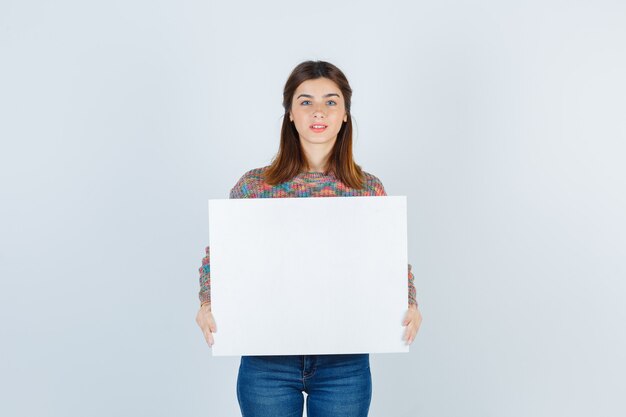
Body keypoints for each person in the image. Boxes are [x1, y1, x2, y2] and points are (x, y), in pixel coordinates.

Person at [196, 60, 423, 417]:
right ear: (289, 113)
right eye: (306, 101)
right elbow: (220, 256)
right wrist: (208, 303)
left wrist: (409, 302)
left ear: (345, 113)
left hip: (344, 363)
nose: (319, 111)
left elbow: (390, 261)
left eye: (331, 101)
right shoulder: (254, 186)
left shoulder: (367, 190)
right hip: (266, 360)